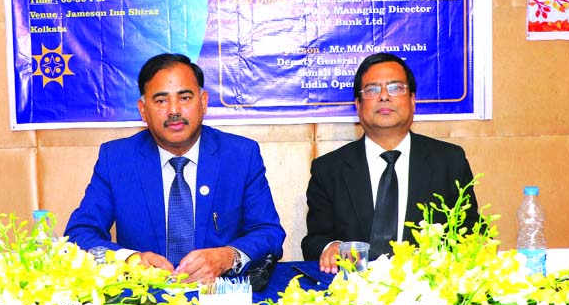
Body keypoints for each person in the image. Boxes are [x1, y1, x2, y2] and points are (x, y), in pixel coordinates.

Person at [65, 53, 285, 283]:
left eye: (185, 97)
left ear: (203, 101)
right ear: (143, 110)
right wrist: (129, 260)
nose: (174, 110)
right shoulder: (117, 159)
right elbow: (79, 234)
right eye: (161, 100)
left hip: (220, 297)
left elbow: (268, 232)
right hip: (144, 300)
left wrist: (228, 257)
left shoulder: (240, 155)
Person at [301, 52, 479, 273]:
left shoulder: (449, 162)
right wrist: (331, 247)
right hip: (353, 295)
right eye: (373, 90)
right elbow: (314, 240)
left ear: (413, 100)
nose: (384, 96)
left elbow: (470, 234)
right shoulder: (329, 169)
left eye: (395, 88)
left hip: (429, 293)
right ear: (357, 104)